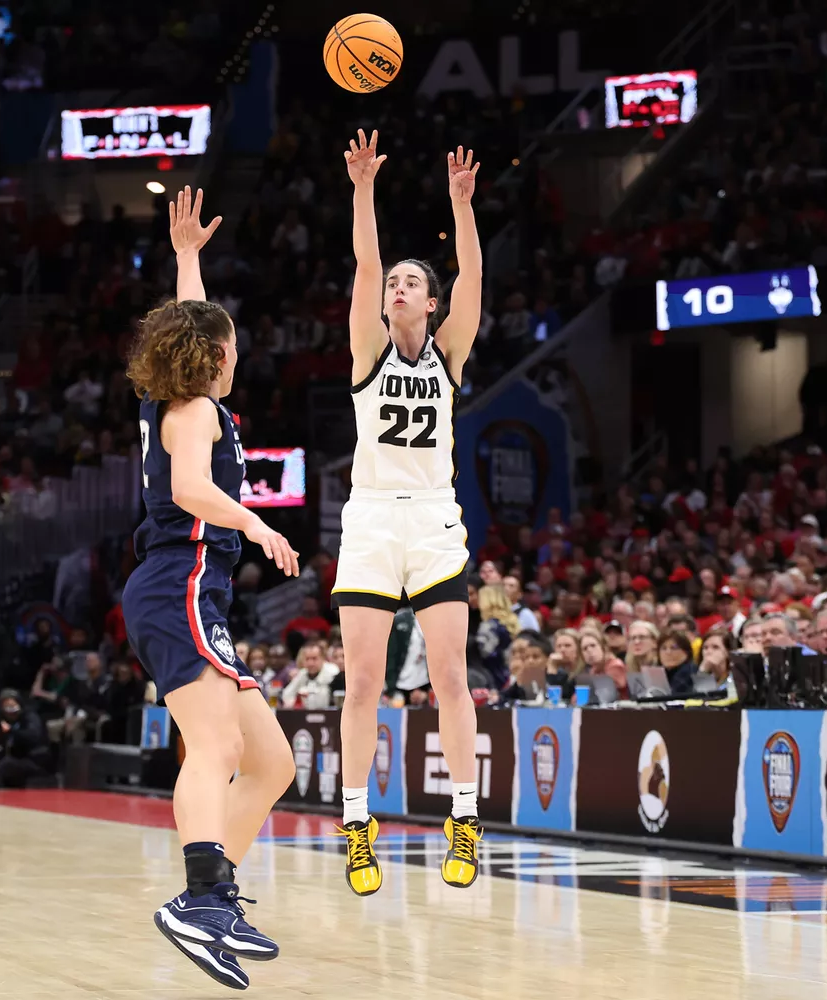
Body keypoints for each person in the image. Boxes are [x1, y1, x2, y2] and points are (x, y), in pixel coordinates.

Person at [116, 187, 296, 990]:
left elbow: (192, 321)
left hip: (194, 589)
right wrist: (255, 523)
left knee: (272, 763)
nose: (236, 348)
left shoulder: (181, 399)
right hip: (179, 578)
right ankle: (198, 897)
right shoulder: (193, 414)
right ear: (215, 355)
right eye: (229, 341)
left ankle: (215, 898)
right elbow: (190, 488)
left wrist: (188, 254)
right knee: (217, 746)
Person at [332, 132, 486, 896]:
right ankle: (357, 824)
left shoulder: (450, 352)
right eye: (394, 280)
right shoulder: (369, 349)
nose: (396, 286)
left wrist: (461, 208)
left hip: (432, 520)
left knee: (449, 680)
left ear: (430, 303)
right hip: (368, 522)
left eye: (410, 282)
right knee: (364, 686)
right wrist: (362, 189)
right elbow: (363, 265)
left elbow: (475, 278)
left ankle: (465, 816)